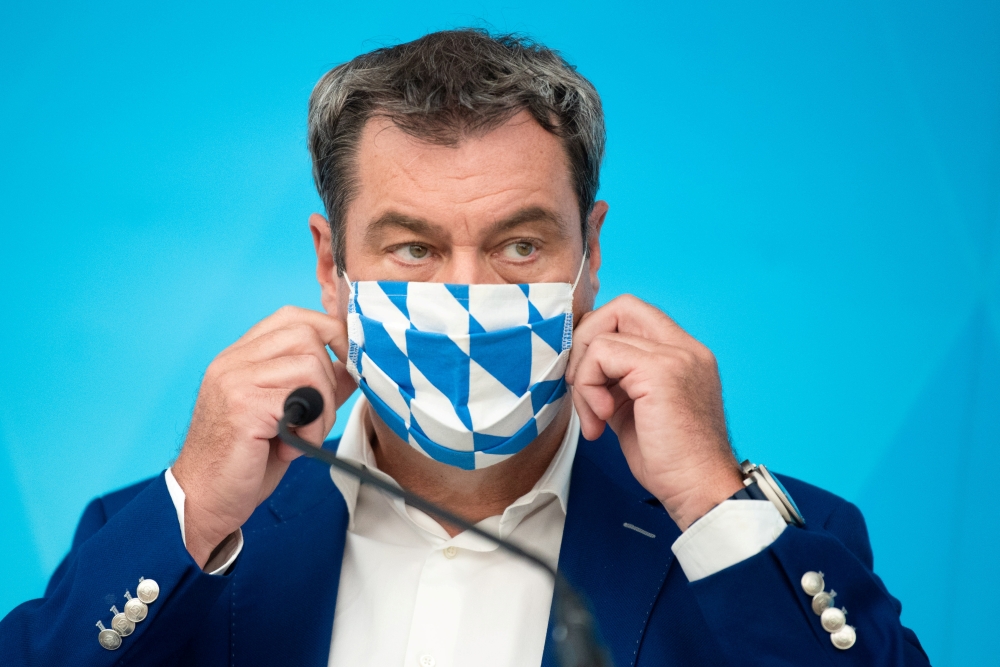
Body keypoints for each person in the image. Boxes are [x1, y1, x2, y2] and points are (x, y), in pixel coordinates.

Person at [0, 29, 929, 667]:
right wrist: (194, 510)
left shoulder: (758, 541)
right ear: (332, 266)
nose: (469, 295)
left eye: (520, 245)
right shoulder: (176, 533)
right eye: (413, 248)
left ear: (591, 256)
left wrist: (716, 508)